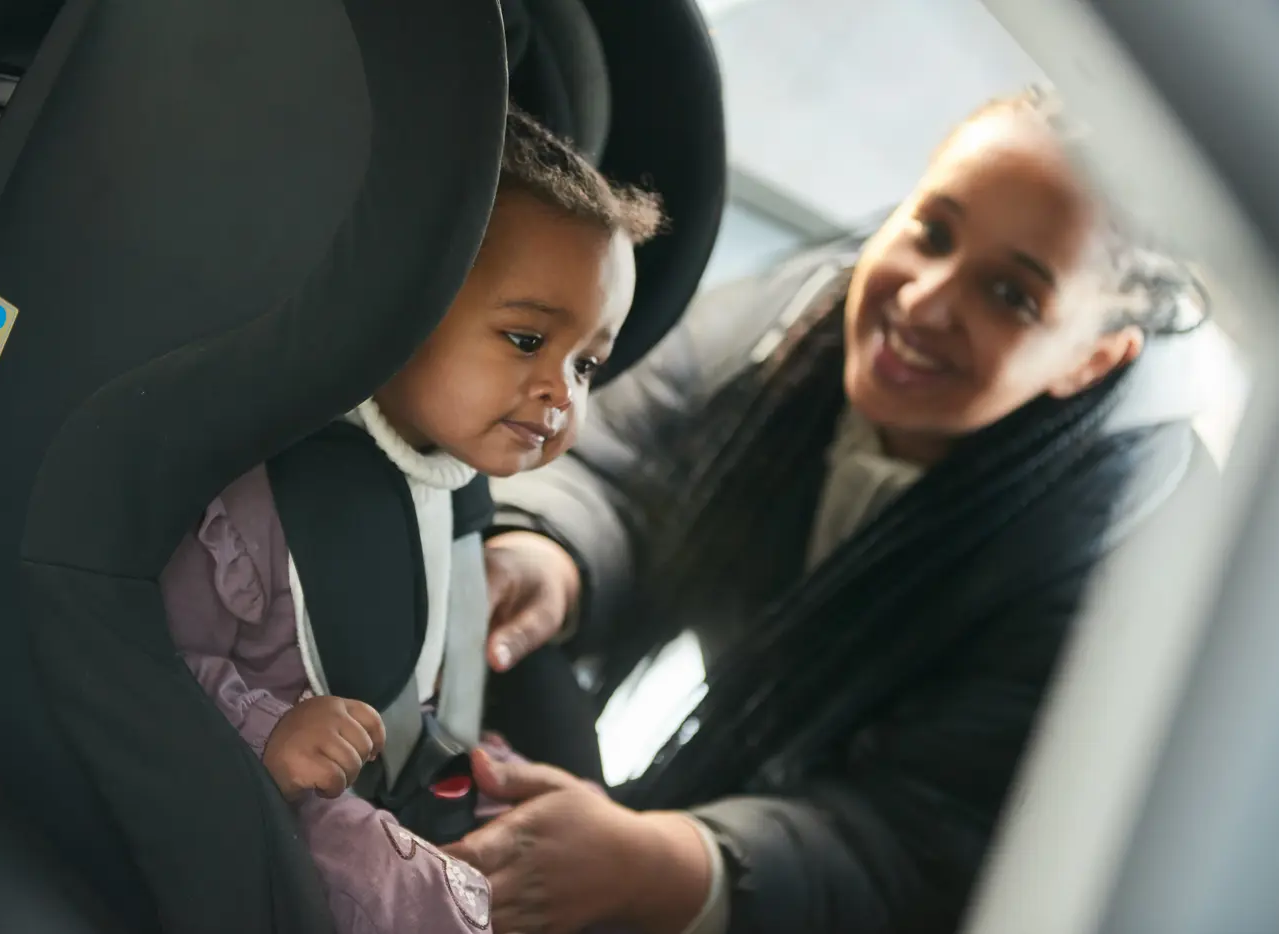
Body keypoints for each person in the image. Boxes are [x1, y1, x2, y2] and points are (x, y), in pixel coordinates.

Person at [452, 86, 1219, 934]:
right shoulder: (792, 322)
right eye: (933, 231)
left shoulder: (1116, 575)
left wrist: (667, 865)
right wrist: (550, 553)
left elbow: (923, 836)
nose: (924, 301)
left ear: (1094, 360)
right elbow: (622, 469)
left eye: (1010, 294)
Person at [159, 107, 662, 934]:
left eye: (587, 364)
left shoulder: (453, 486)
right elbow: (162, 666)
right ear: (407, 297)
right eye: (526, 338)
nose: (561, 391)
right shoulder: (268, 489)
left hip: (409, 772)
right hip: (274, 797)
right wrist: (270, 732)